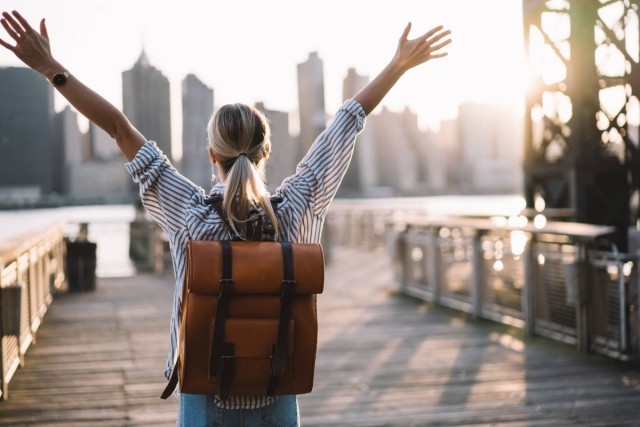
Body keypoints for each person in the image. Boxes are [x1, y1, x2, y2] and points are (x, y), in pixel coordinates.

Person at [0, 9, 451, 426]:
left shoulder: (189, 215)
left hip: (204, 395)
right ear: (266, 152)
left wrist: (50, 69)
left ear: (211, 154)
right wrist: (398, 65)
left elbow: (118, 127)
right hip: (277, 394)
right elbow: (348, 119)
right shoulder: (297, 210)